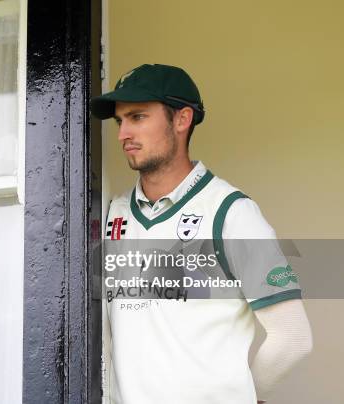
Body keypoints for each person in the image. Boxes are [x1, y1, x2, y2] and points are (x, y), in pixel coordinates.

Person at [91, 64, 313, 404]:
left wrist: (245, 396)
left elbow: (293, 338)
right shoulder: (111, 215)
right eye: (120, 121)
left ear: (182, 119)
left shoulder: (231, 213)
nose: (122, 134)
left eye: (137, 117)